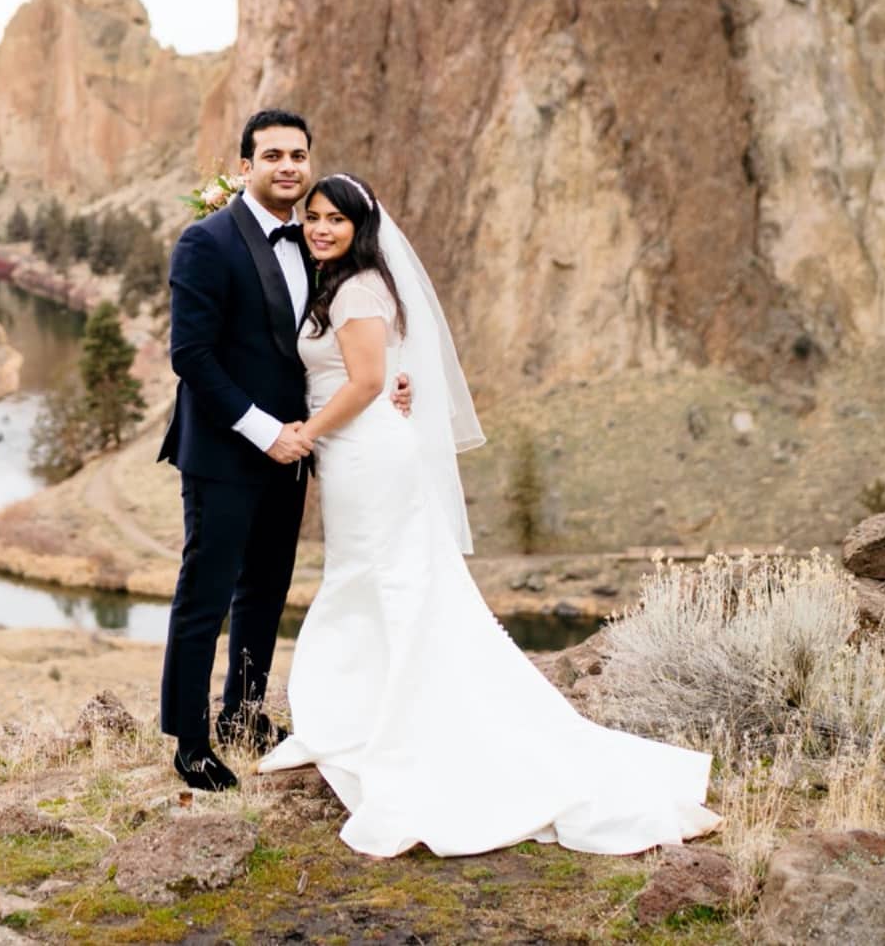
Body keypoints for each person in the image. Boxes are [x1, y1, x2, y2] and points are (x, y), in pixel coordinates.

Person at [257, 171, 721, 857]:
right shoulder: (343, 283)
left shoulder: (357, 288)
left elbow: (364, 382)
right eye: (315, 217)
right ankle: (355, 716)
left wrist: (304, 431)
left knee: (376, 582)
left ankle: (377, 726)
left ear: (362, 229)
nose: (322, 229)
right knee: (370, 581)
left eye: (337, 220)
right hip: (360, 453)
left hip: (367, 454)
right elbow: (383, 375)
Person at [157, 110, 410, 791]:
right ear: (246, 167)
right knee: (204, 598)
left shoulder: (316, 242)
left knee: (265, 591)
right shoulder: (205, 242)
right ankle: (189, 741)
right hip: (227, 453)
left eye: (298, 154)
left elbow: (349, 339)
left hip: (296, 452)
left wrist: (394, 386)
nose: (289, 166)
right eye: (273, 155)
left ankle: (243, 714)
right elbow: (192, 356)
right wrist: (266, 432)